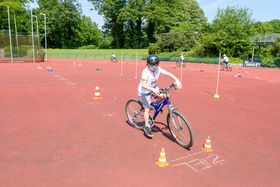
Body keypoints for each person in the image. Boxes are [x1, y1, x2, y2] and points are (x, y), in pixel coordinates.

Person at [138, 55, 182, 138]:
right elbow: (143, 84)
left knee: (165, 95)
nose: (154, 67)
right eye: (152, 65)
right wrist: (153, 89)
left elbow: (167, 73)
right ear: (148, 64)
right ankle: (147, 126)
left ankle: (154, 106)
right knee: (147, 109)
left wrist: (177, 80)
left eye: (156, 64)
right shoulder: (145, 72)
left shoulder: (158, 69)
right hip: (144, 91)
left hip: (153, 89)